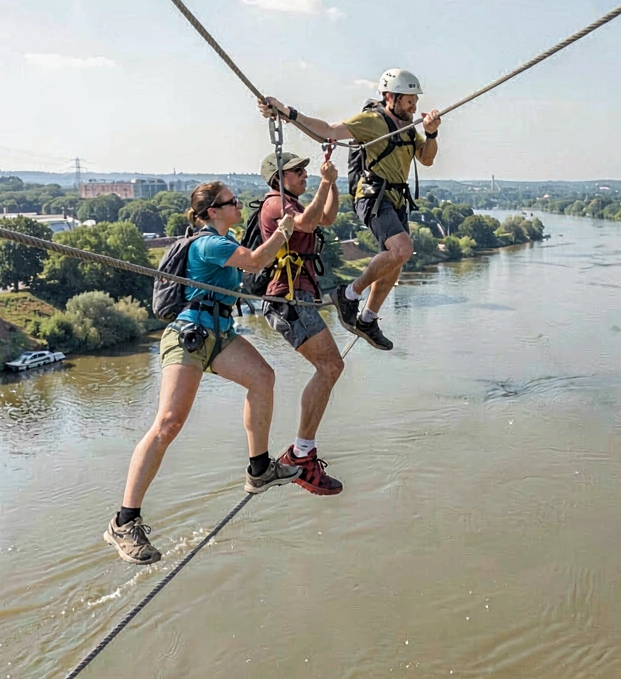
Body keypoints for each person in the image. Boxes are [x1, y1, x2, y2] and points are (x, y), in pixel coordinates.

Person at [104, 181, 303, 565]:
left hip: (218, 334)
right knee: (168, 423)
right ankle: (124, 521)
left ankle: (259, 468)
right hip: (189, 335)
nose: (238, 206)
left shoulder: (222, 242)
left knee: (263, 378)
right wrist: (284, 231)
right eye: (231, 202)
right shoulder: (208, 243)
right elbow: (257, 260)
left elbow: (252, 263)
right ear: (213, 211)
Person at [258, 68, 441, 350]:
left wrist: (431, 134)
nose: (413, 106)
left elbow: (426, 159)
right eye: (408, 100)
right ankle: (348, 294)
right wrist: (287, 113)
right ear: (390, 97)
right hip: (372, 196)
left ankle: (367, 317)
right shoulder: (371, 120)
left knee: (397, 260)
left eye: (415, 100)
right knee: (402, 249)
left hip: (395, 199)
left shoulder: (407, 126)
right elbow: (329, 131)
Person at [256, 152, 346, 495]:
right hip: (288, 298)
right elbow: (307, 224)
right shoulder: (276, 204)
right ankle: (301, 454)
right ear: (279, 177)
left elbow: (325, 217)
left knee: (331, 367)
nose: (305, 174)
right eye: (298, 171)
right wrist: (325, 181)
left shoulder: (290, 203)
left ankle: (303, 452)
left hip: (298, 297)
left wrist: (332, 186)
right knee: (330, 367)